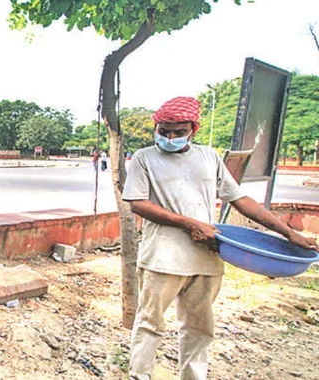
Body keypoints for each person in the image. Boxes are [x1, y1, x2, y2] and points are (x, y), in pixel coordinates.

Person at [122, 96, 318, 380]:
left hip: (207, 256)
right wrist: (189, 223)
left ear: (194, 129)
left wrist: (288, 232)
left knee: (199, 328)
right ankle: (139, 375)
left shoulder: (209, 157)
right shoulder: (144, 158)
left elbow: (239, 198)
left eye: (178, 132)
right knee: (149, 324)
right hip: (162, 258)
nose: (169, 137)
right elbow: (138, 203)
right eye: (163, 131)